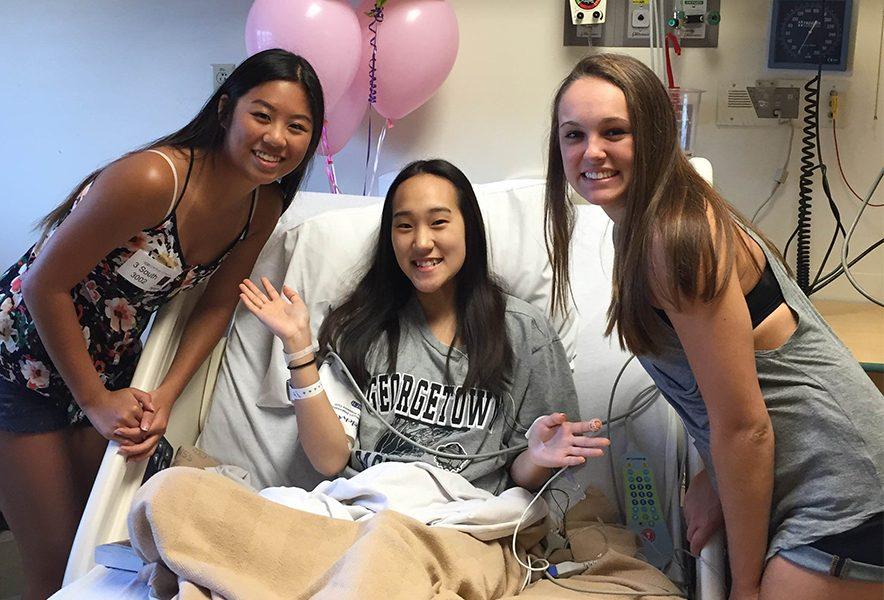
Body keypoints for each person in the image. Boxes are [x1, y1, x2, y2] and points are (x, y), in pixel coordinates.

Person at [0, 48, 324, 599]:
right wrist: (95, 400)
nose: (277, 137)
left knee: (95, 552)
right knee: (52, 569)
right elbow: (45, 284)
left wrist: (164, 394)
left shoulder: (262, 207)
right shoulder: (152, 178)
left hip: (111, 363)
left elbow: (216, 305)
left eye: (297, 126)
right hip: (23, 356)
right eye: (262, 115)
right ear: (225, 111)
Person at [544, 53, 883, 598]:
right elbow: (735, 394)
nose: (592, 152)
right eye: (573, 135)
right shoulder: (644, 227)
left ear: (654, 136)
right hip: (816, 481)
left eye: (614, 132)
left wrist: (744, 587)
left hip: (847, 494)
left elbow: (744, 427)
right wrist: (718, 483)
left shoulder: (673, 239)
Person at [238, 158, 610, 495]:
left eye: (438, 222)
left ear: (469, 229)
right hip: (365, 513)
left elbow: (524, 478)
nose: (421, 242)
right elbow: (330, 460)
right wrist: (298, 348)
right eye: (404, 226)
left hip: (464, 523)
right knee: (190, 493)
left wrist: (539, 456)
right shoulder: (360, 326)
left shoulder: (524, 332)